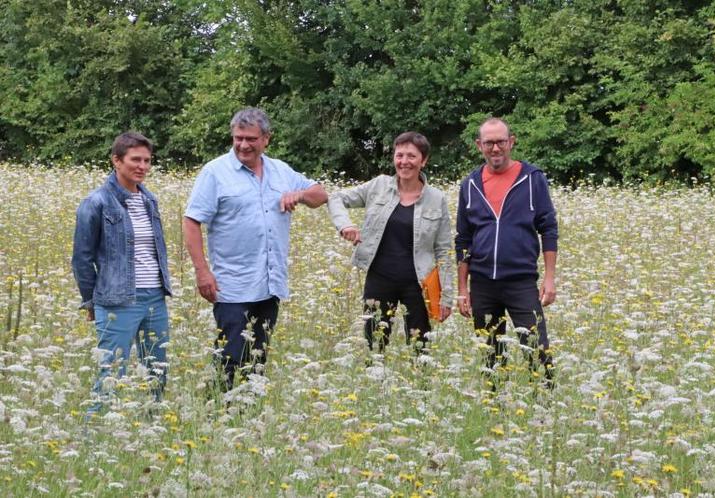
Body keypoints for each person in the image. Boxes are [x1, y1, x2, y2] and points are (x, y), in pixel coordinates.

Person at [183, 107, 328, 391]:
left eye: (250, 139)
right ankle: (218, 412)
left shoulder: (280, 171)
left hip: (270, 283)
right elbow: (191, 221)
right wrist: (202, 272)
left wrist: (300, 194)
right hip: (232, 285)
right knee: (230, 356)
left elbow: (320, 194)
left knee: (258, 357)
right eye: (238, 138)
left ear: (266, 139)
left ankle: (250, 416)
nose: (243, 145)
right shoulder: (215, 172)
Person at [72, 132, 172, 417]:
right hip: (117, 300)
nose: (142, 166)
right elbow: (81, 258)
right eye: (135, 160)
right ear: (116, 161)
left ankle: (154, 426)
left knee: (158, 369)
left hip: (155, 296)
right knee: (113, 372)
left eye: (147, 160)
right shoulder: (97, 202)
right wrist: (91, 301)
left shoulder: (149, 199)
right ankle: (94, 434)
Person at [328, 132, 454, 353]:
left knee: (419, 348)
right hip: (379, 279)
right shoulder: (378, 186)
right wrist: (345, 225)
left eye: (411, 156)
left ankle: (420, 385)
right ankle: (374, 383)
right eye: (399, 155)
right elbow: (335, 198)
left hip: (418, 284)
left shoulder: (437, 199)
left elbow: (443, 250)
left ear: (423, 161)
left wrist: (447, 296)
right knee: (373, 344)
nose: (404, 162)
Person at [455, 117, 557, 387]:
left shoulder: (533, 179)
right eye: (489, 143)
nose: (495, 148)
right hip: (483, 283)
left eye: (501, 141)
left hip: (521, 282)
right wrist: (462, 289)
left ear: (511, 142)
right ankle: (495, 414)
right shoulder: (470, 185)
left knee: (537, 350)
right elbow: (463, 239)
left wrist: (549, 278)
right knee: (490, 354)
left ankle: (545, 410)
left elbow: (548, 229)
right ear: (479, 146)